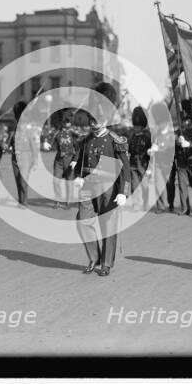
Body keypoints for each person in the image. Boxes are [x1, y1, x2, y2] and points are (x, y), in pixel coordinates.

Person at [71, 82, 131, 277]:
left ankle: (105, 263)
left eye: (96, 119)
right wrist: (78, 177)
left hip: (108, 185)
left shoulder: (115, 140)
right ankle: (93, 257)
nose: (93, 123)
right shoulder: (87, 140)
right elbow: (80, 162)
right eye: (91, 119)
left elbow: (125, 169)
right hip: (88, 185)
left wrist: (123, 192)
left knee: (108, 225)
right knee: (83, 220)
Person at [47, 109, 77, 209]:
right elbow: (50, 145)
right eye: (65, 121)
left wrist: (75, 160)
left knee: (69, 183)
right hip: (59, 160)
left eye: (68, 121)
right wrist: (47, 144)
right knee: (56, 181)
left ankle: (69, 202)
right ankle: (58, 201)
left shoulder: (74, 134)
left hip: (70, 160)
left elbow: (78, 149)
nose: (67, 123)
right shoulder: (57, 133)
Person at [9, 101, 37, 208]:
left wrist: (35, 160)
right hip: (15, 157)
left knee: (23, 180)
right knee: (17, 180)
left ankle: (24, 202)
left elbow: (33, 145)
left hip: (25, 157)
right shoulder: (14, 130)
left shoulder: (29, 130)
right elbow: (10, 143)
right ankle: (21, 201)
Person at [148, 103, 174, 214]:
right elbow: (153, 147)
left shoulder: (172, 134)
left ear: (166, 122)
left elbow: (171, 149)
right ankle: (161, 206)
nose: (160, 124)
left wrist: (159, 149)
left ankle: (171, 203)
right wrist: (151, 151)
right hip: (158, 163)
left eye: (162, 122)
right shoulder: (156, 135)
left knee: (170, 185)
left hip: (168, 164)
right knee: (158, 185)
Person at [174, 100, 192, 216]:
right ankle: (185, 208)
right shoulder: (180, 124)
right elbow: (175, 137)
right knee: (182, 185)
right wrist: (178, 140)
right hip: (181, 158)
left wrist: (189, 143)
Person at [127, 106, 151, 212]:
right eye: (135, 126)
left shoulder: (146, 138)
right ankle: (136, 205)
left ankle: (145, 203)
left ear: (142, 127)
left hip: (143, 163)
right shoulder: (132, 137)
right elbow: (129, 149)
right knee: (135, 185)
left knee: (145, 186)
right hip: (133, 163)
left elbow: (150, 153)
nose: (136, 128)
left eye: (138, 126)